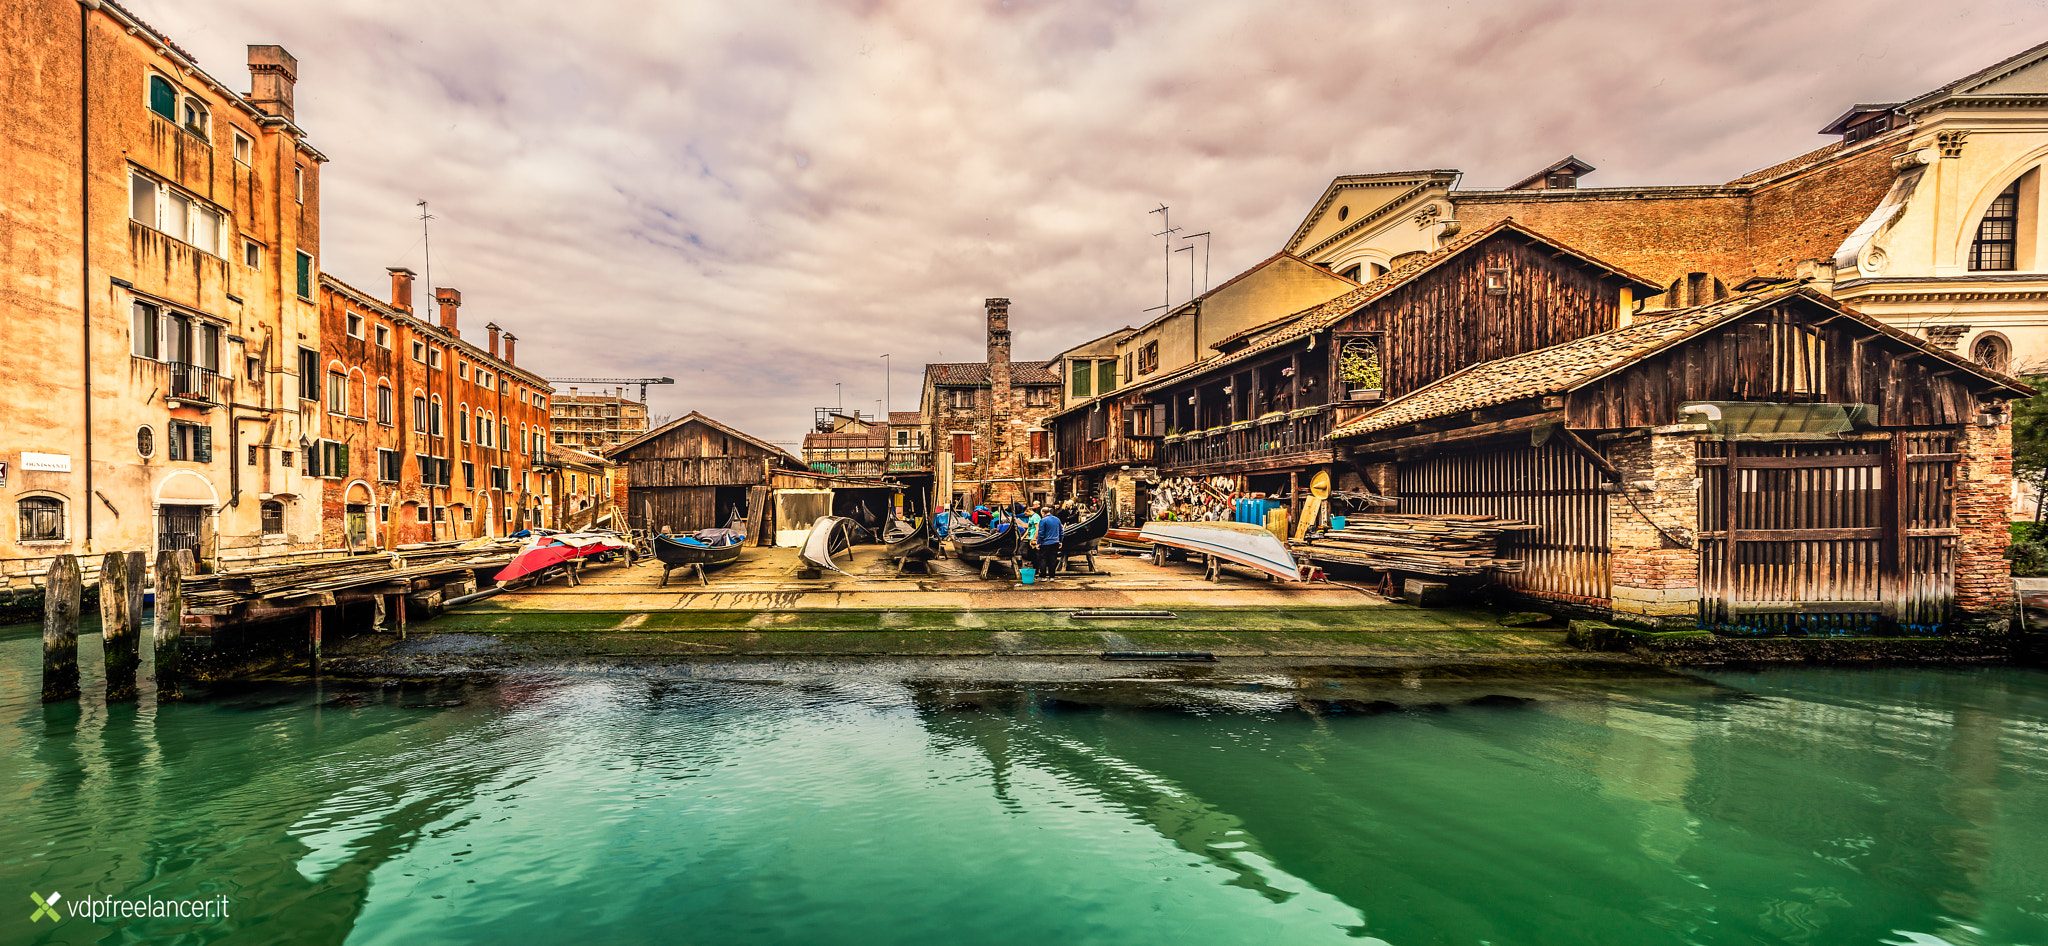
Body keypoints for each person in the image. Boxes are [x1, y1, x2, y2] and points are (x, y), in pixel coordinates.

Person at [1036, 508, 1064, 580]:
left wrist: (1038, 542)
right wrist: (1060, 541)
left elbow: (1041, 533)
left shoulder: (1043, 520)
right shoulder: (1057, 519)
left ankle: (1043, 576)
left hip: (1045, 543)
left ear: (1043, 513)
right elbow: (1061, 531)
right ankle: (1052, 577)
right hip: (1055, 542)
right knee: (1053, 559)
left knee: (1043, 559)